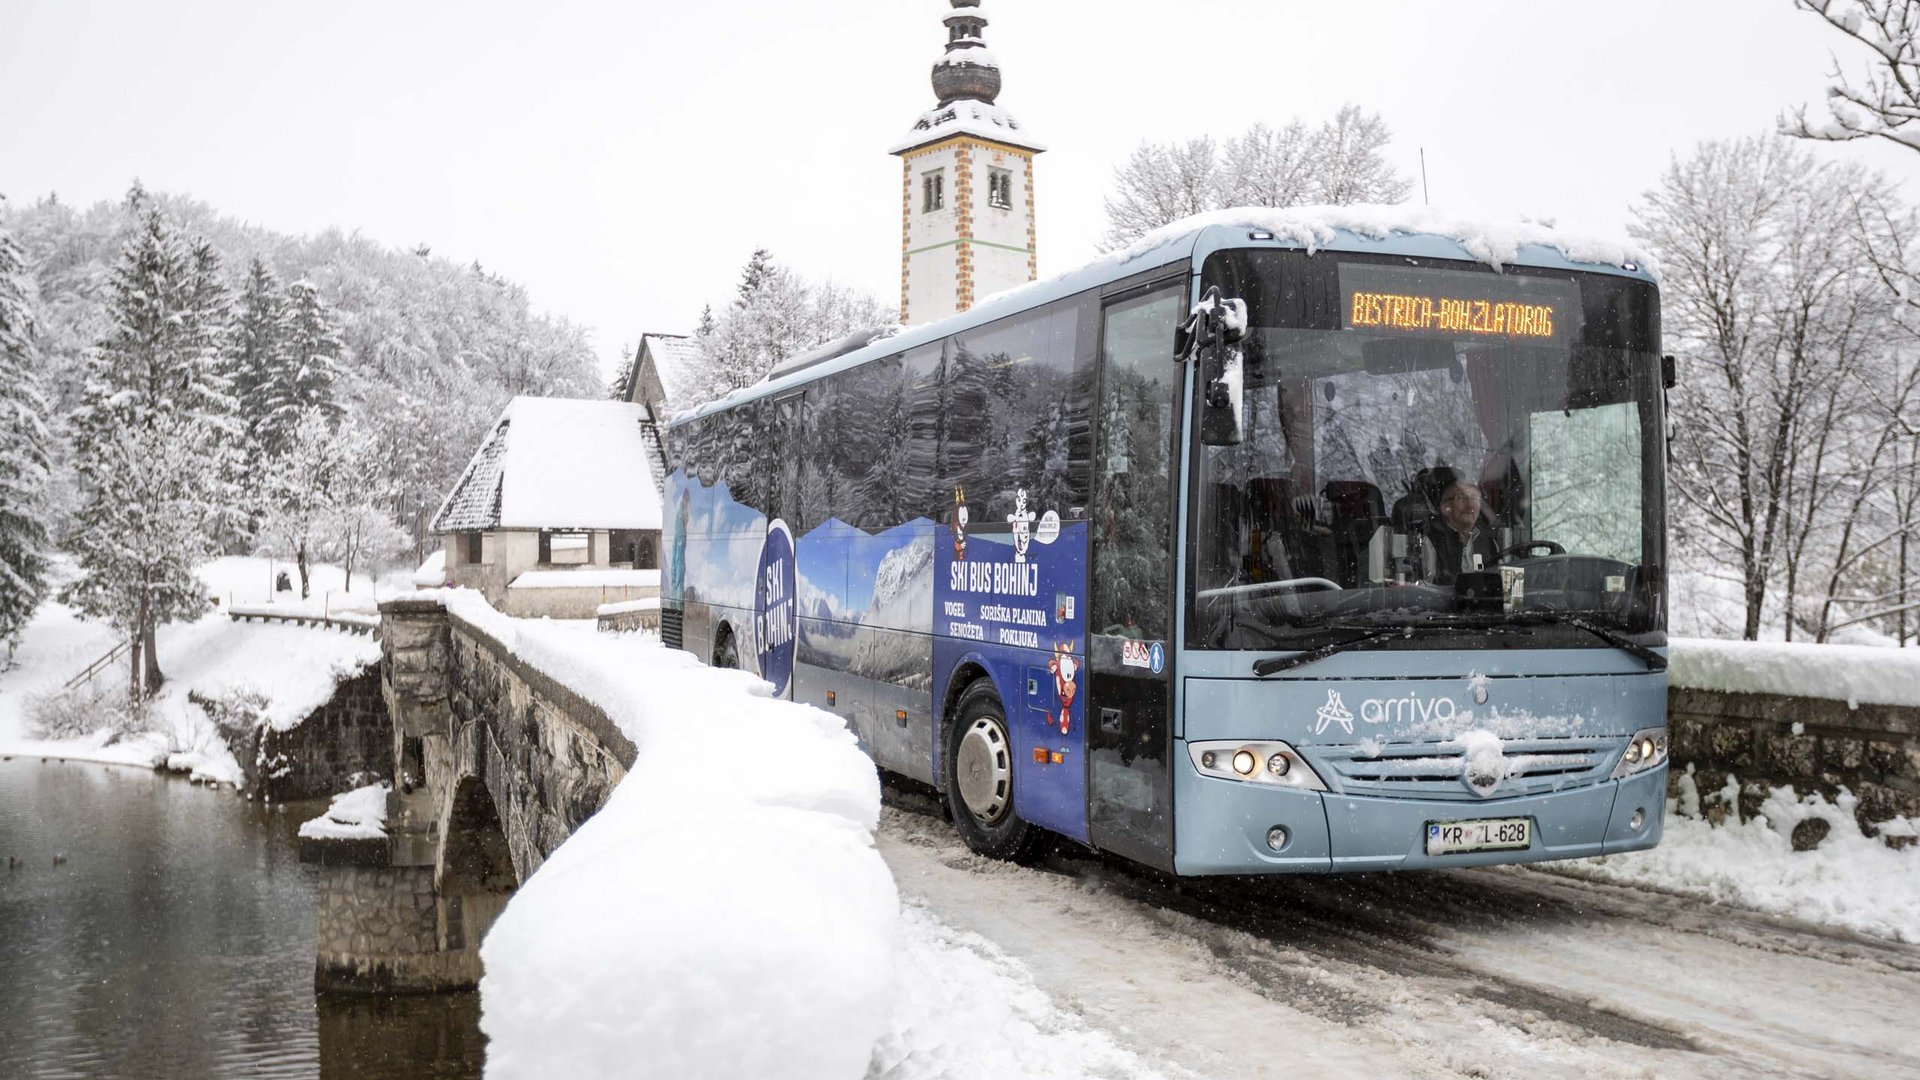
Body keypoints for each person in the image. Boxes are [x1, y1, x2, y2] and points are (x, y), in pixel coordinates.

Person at [1426, 479, 1500, 584]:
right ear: (1445, 507)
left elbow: (1501, 584)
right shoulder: (1431, 541)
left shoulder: (1489, 542)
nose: (1470, 505)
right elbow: (1426, 590)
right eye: (1461, 498)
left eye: (1475, 499)